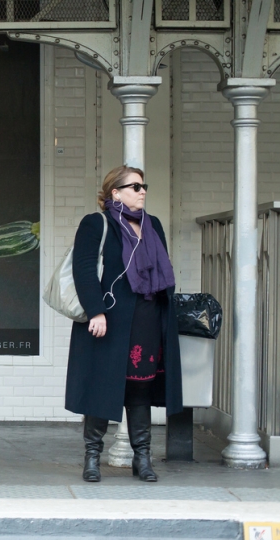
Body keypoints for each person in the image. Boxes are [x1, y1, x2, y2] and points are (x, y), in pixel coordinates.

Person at [66, 165, 183, 482]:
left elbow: (162, 271)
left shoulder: (153, 225)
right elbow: (84, 269)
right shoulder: (97, 223)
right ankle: (92, 457)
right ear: (115, 192)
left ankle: (142, 458)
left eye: (144, 185)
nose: (142, 190)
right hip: (110, 319)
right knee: (102, 387)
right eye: (134, 186)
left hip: (147, 317)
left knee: (140, 387)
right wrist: (96, 311)